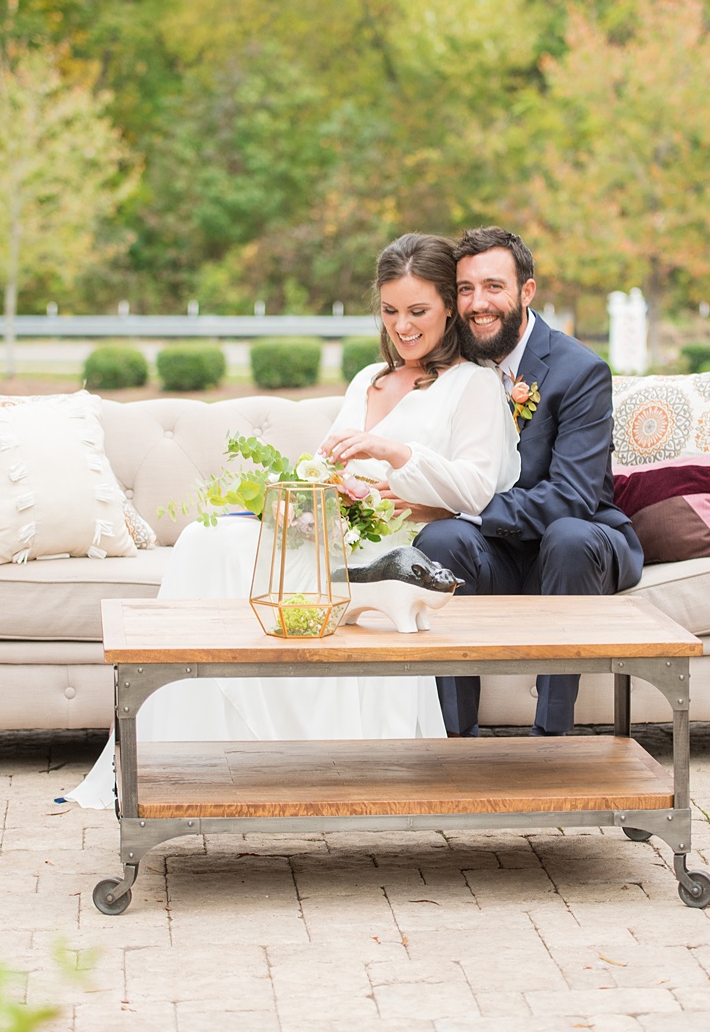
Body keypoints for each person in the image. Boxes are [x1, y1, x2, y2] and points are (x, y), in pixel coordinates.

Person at [64, 233, 519, 810]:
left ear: (449, 309)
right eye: (390, 311)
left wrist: (393, 454)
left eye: (418, 312)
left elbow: (476, 490)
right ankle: (179, 752)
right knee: (210, 538)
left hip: (393, 547)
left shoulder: (472, 385)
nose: (402, 326)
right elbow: (329, 463)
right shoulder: (368, 380)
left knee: (234, 552)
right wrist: (320, 487)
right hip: (333, 529)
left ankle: (270, 749)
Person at [404, 227, 644, 738]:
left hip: (578, 547)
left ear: (526, 292)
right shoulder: (451, 368)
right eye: (465, 289)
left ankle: (551, 736)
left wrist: (462, 507)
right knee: (440, 538)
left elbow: (573, 498)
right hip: (496, 553)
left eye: (494, 286)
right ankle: (455, 737)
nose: (478, 303)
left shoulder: (579, 371)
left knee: (569, 536)